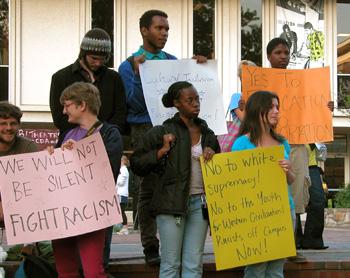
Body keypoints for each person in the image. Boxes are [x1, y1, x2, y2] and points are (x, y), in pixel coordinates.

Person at [118, 9, 207, 265]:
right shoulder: (129, 65)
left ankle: (177, 241)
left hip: (173, 128)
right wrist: (136, 75)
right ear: (144, 30)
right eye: (159, 28)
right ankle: (149, 244)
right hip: (144, 129)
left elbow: (187, 96)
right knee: (147, 188)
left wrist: (197, 68)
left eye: (167, 29)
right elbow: (132, 104)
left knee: (179, 181)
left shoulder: (172, 61)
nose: (164, 33)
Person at [130, 81, 220, 278]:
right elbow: (136, 164)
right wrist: (161, 151)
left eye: (197, 99)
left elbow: (219, 172)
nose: (196, 104)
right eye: (190, 100)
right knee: (171, 264)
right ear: (176, 103)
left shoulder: (208, 134)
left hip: (200, 204)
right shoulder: (161, 132)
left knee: (194, 264)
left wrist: (213, 153)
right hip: (170, 205)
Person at [266, 37, 333, 259]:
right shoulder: (260, 82)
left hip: (297, 147)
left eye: (286, 53)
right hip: (269, 147)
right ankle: (274, 244)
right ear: (269, 56)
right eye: (278, 53)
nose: (283, 57)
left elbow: (311, 108)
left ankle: (290, 246)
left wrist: (324, 108)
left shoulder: (301, 82)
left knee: (293, 198)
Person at [47, 82, 123, 277]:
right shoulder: (67, 133)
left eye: (67, 105)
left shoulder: (109, 133)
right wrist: (50, 156)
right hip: (64, 211)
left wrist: (80, 151)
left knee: (93, 272)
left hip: (92, 212)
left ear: (82, 105)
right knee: (65, 271)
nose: (64, 111)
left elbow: (109, 168)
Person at [232, 90, 296, 278]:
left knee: (276, 270)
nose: (277, 111)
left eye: (278, 107)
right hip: (255, 213)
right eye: (272, 107)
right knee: (256, 269)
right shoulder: (241, 144)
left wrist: (288, 170)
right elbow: (235, 184)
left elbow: (290, 181)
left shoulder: (282, 143)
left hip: (284, 210)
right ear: (258, 110)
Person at [50, 28, 127, 147]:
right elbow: (59, 117)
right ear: (83, 54)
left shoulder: (114, 78)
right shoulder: (60, 77)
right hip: (70, 141)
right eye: (94, 58)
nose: (98, 63)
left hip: (106, 141)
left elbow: (120, 114)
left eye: (103, 59)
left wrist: (104, 133)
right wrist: (83, 135)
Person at [0, 102, 38, 225]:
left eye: (13, 123)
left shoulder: (27, 147)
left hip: (19, 209)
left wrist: (7, 204)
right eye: (3, 124)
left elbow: (35, 182)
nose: (8, 128)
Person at [301, 144, 328, 249]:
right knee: (295, 203)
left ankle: (312, 240)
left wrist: (318, 144)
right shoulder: (288, 131)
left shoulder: (313, 132)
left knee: (318, 201)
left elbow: (322, 156)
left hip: (312, 167)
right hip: (293, 164)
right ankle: (295, 240)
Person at [116, 155, 130, 235]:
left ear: (122, 161)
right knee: (121, 210)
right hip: (121, 193)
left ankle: (125, 227)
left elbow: (121, 182)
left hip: (121, 193)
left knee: (121, 210)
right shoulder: (123, 169)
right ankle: (123, 227)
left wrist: (117, 181)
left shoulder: (123, 169)